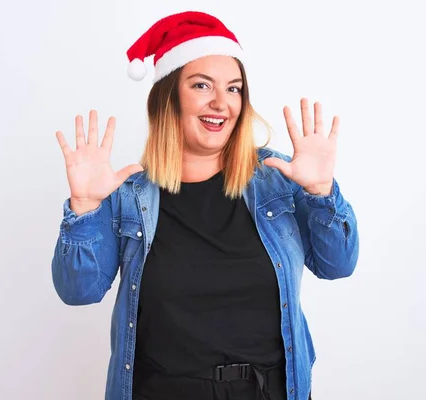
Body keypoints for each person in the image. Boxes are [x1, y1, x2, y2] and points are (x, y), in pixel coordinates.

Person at [51, 10, 359, 400]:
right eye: (201, 85)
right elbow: (78, 292)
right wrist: (83, 208)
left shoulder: (276, 181)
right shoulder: (129, 196)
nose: (221, 103)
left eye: (233, 89)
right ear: (168, 98)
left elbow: (338, 265)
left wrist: (321, 192)